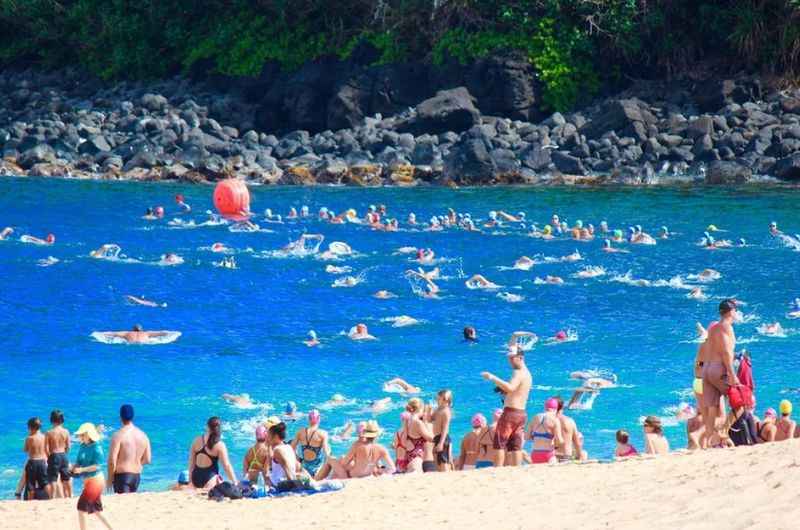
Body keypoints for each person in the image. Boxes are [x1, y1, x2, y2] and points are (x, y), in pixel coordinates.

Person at [480, 340, 532, 466]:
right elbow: (512, 344)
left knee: (499, 442)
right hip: (521, 412)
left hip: (511, 412)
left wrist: (492, 377)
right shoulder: (527, 373)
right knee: (516, 444)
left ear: (520, 358)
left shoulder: (518, 372)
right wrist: (514, 338)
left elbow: (510, 388)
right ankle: (516, 468)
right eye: (509, 358)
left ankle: (498, 469)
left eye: (512, 358)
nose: (510, 361)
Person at [702, 300, 740, 446]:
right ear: (731, 311)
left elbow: (712, 349)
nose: (736, 313)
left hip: (707, 369)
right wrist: (732, 373)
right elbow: (725, 352)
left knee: (712, 408)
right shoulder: (726, 327)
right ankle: (723, 432)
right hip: (719, 369)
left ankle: (709, 442)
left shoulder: (713, 328)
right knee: (741, 402)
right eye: (735, 310)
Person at [72, 423, 112, 530]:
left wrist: (82, 470)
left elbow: (97, 466)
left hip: (96, 481)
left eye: (82, 434)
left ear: (88, 435)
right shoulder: (82, 446)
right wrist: (73, 467)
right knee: (97, 510)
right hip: (88, 481)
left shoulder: (97, 448)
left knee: (81, 508)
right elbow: (79, 462)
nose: (79, 436)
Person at [325, 421, 395, 478]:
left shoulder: (357, 445)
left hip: (354, 475)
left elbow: (344, 463)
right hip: (368, 474)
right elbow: (392, 469)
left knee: (332, 460)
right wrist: (380, 471)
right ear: (377, 435)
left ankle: (325, 480)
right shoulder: (382, 448)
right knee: (341, 459)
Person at [107, 404, 151, 494]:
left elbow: (112, 460)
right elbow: (148, 459)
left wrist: (110, 478)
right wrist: (137, 464)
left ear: (120, 417)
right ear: (133, 417)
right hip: (136, 477)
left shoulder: (118, 435)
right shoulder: (143, 435)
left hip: (122, 476)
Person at [188, 417, 236, 489]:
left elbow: (191, 463)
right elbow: (227, 466)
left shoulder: (196, 440)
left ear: (207, 427)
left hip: (195, 478)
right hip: (210, 479)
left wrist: (190, 480)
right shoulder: (220, 445)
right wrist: (235, 481)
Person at [396, 398, 433, 473]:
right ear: (420, 408)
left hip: (406, 457)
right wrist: (427, 422)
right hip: (416, 458)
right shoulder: (417, 422)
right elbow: (430, 438)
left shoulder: (407, 421)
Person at [291, 409, 330, 479]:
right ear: (318, 419)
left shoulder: (300, 432)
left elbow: (291, 448)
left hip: (304, 469)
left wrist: (297, 459)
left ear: (309, 419)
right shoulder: (323, 434)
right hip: (317, 470)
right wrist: (325, 467)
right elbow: (327, 454)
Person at [266, 422, 303, 488]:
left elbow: (286, 466)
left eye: (269, 436)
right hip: (285, 480)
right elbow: (297, 466)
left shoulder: (277, 450)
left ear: (276, 436)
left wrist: (293, 485)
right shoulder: (288, 447)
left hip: (279, 484)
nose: (267, 438)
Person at [526, 399, 563, 464]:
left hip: (535, 453)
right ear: (556, 409)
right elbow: (559, 440)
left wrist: (537, 437)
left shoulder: (535, 417)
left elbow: (526, 437)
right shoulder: (555, 420)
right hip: (548, 453)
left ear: (545, 408)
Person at [45, 410, 72, 499]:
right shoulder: (66, 431)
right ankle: (69, 495)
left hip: (54, 455)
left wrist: (49, 457)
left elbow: (46, 448)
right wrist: (64, 454)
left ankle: (52, 497)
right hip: (63, 455)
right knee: (66, 478)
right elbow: (68, 446)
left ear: (51, 420)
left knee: (53, 478)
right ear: (62, 420)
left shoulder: (49, 432)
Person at [23, 417, 48, 500]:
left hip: (33, 462)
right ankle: (51, 497)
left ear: (30, 428)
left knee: (30, 484)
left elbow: (25, 450)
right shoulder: (44, 437)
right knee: (44, 483)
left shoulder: (29, 438)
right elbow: (46, 449)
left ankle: (30, 500)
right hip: (42, 462)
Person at [554, 396, 584, 461]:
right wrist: (580, 456)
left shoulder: (548, 421)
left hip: (552, 456)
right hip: (567, 456)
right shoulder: (570, 421)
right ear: (562, 407)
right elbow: (577, 442)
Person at [432, 390, 453, 472]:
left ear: (445, 400)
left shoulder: (446, 411)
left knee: (443, 462)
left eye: (438, 399)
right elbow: (431, 419)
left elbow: (445, 429)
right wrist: (428, 411)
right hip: (437, 437)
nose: (437, 401)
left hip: (443, 439)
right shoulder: (438, 409)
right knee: (437, 462)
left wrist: (441, 443)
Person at [106, 325, 171, 344]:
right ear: (141, 329)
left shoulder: (127, 333)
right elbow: (161, 333)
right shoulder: (147, 333)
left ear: (133, 329)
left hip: (130, 343)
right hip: (144, 343)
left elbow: (113, 333)